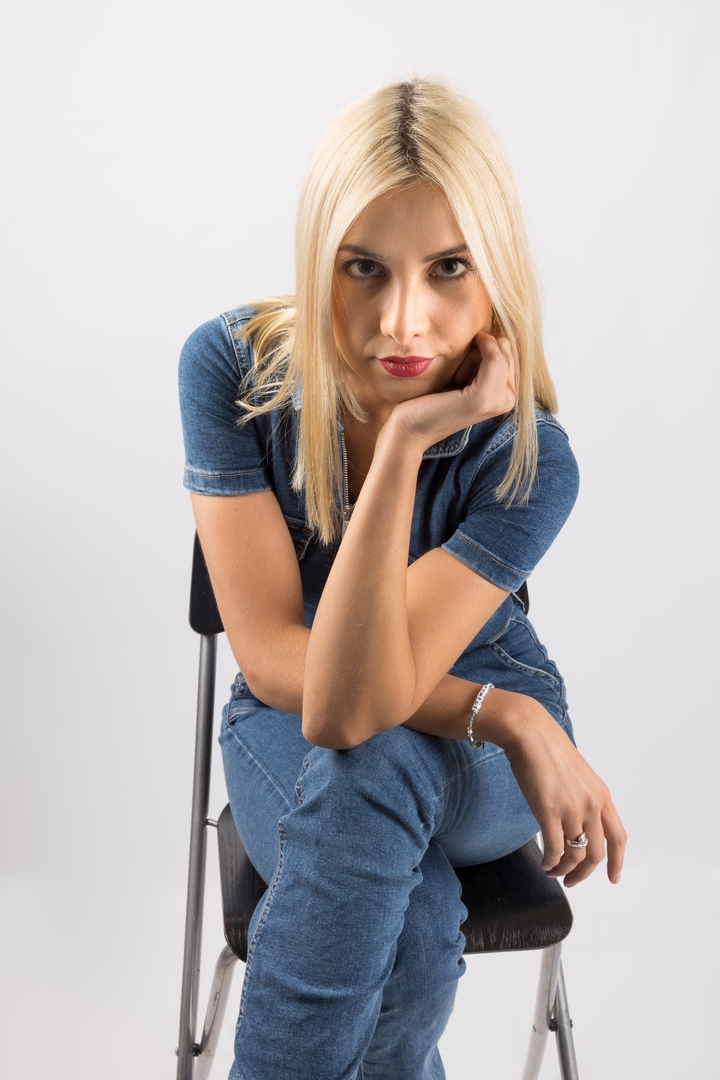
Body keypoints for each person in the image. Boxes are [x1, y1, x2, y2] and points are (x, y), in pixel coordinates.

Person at [178, 77, 626, 1080]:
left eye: (449, 268)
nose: (403, 321)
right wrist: (506, 714)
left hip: (482, 763)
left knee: (372, 768)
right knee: (403, 907)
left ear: (497, 270)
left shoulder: (531, 460)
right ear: (318, 263)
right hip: (298, 713)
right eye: (364, 269)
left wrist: (407, 447)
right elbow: (308, 684)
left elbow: (362, 706)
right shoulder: (230, 370)